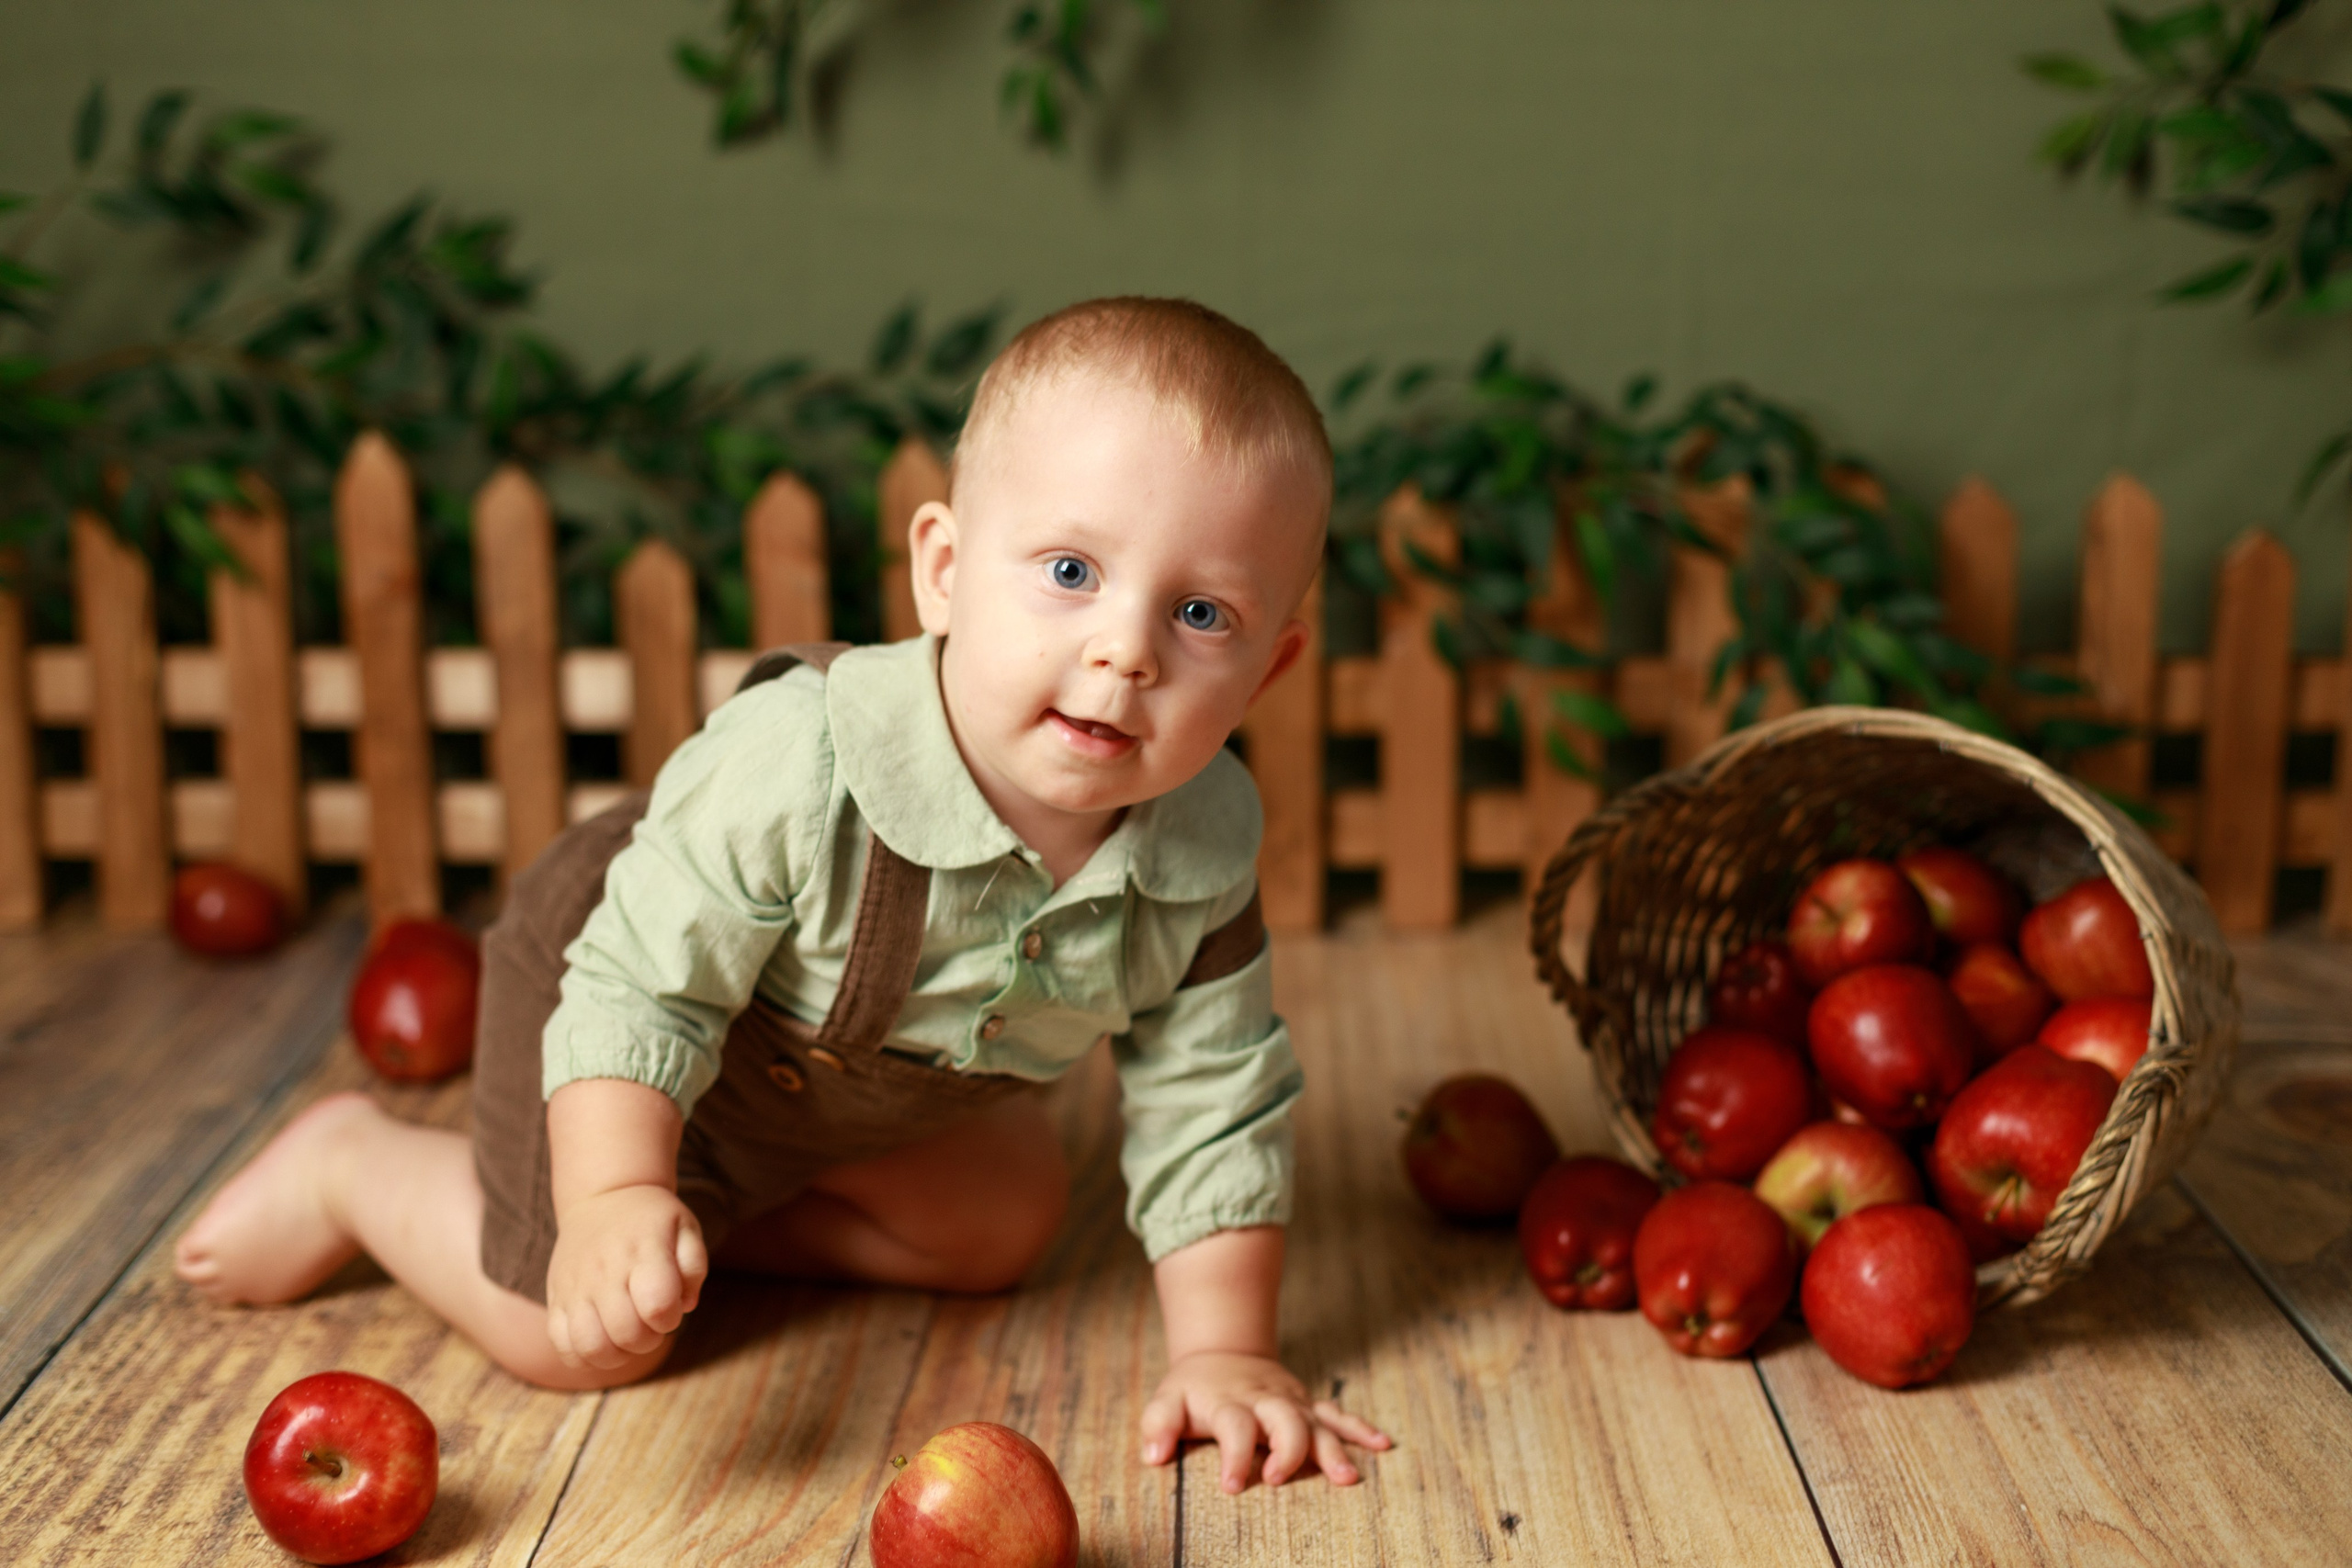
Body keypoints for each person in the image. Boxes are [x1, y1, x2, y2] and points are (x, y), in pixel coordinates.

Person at [175, 296, 1393, 1495]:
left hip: (836, 1103)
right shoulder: (807, 759)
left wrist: (1226, 1352)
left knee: (1006, 1224)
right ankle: (354, 1168)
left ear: (1269, 667)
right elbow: (642, 985)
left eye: (1201, 614)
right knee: (575, 1338)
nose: (1127, 650)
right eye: (1071, 571)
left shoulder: (1197, 852)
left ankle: (702, 1225)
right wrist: (611, 1201)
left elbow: (1212, 1099)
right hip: (621, 1007)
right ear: (946, 572)